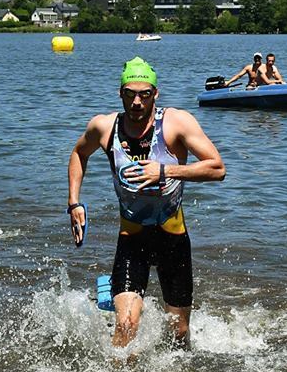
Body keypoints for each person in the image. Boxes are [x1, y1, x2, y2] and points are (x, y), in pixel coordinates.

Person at [67, 57, 225, 349]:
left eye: (145, 94)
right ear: (120, 94)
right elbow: (79, 154)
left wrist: (165, 170)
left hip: (173, 237)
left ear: (156, 93)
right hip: (132, 237)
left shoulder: (176, 122)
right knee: (126, 327)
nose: (137, 101)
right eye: (130, 94)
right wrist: (74, 202)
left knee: (178, 333)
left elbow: (217, 168)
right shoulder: (104, 127)